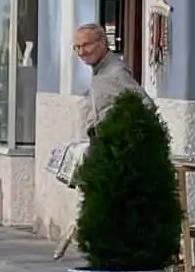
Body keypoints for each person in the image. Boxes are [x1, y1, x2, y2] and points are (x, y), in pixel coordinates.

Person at [50, 22, 151, 259]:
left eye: (86, 45)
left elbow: (145, 107)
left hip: (114, 149)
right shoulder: (100, 72)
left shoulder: (115, 73)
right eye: (77, 47)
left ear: (102, 42)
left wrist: (122, 136)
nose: (82, 51)